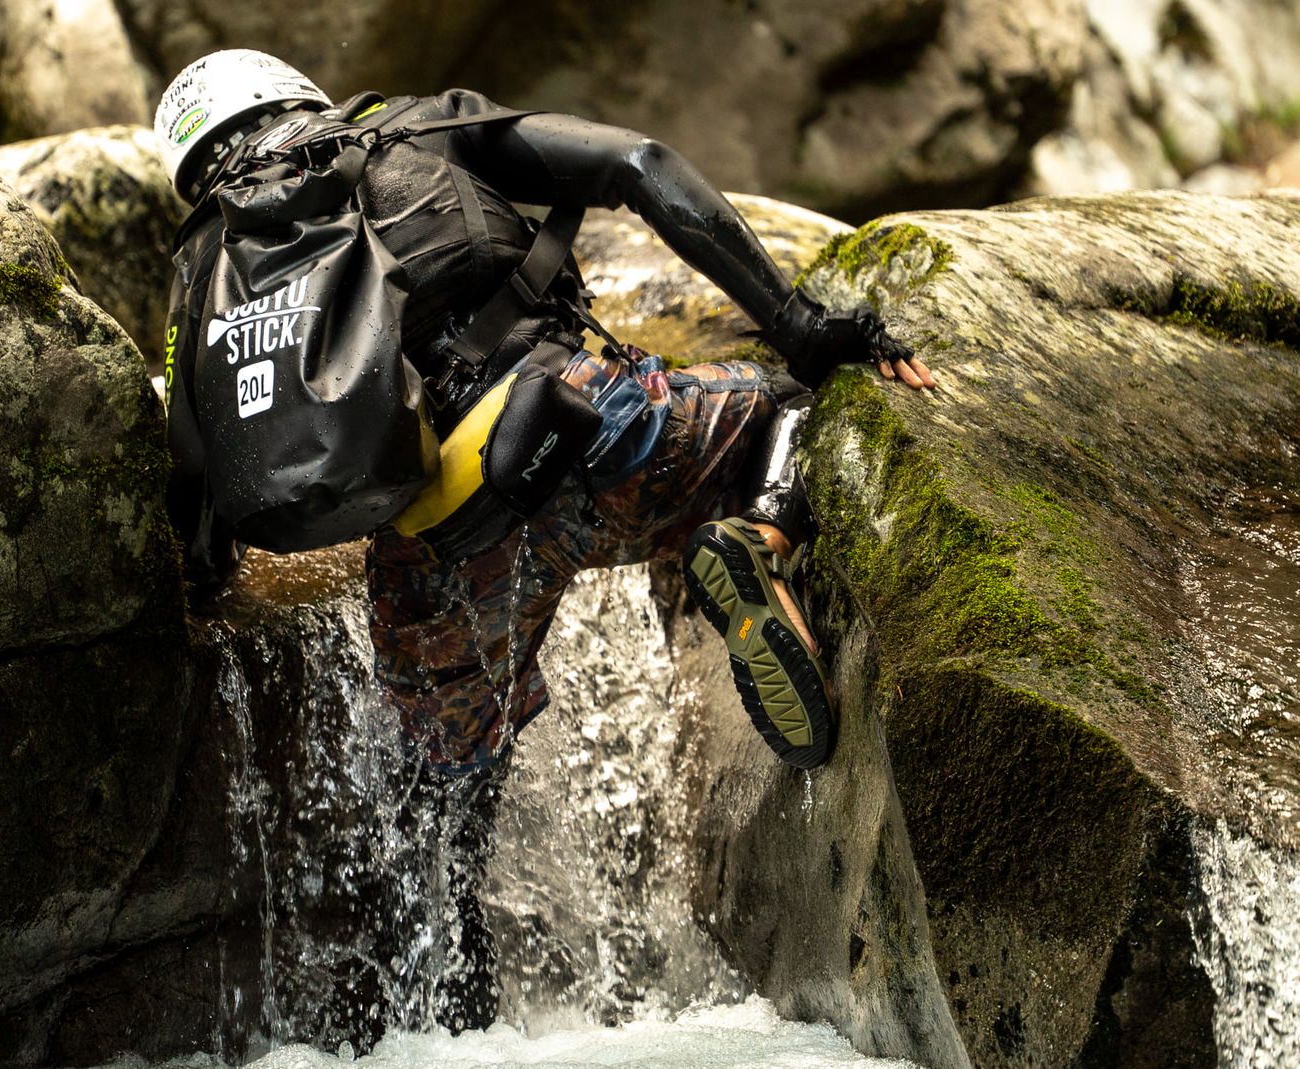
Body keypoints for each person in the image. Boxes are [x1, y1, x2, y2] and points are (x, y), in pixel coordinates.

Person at [155, 49, 935, 1040]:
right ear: (296, 96)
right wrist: (800, 325)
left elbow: (195, 469)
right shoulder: (415, 129)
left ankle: (451, 1033)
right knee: (779, 407)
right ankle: (755, 537)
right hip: (582, 432)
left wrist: (200, 589)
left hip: (434, 547)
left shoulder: (202, 270)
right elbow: (641, 163)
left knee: (441, 823)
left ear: (192, 163)